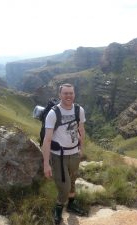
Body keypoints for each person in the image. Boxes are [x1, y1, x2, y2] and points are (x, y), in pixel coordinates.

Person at [42, 83, 86, 224]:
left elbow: (81, 130)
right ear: (60, 95)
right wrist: (46, 164)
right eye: (65, 93)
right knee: (64, 187)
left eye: (71, 93)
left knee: (72, 181)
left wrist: (81, 149)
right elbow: (47, 140)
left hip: (74, 154)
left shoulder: (79, 110)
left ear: (74, 94)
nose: (68, 96)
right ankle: (58, 210)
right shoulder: (53, 113)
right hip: (58, 156)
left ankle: (71, 205)